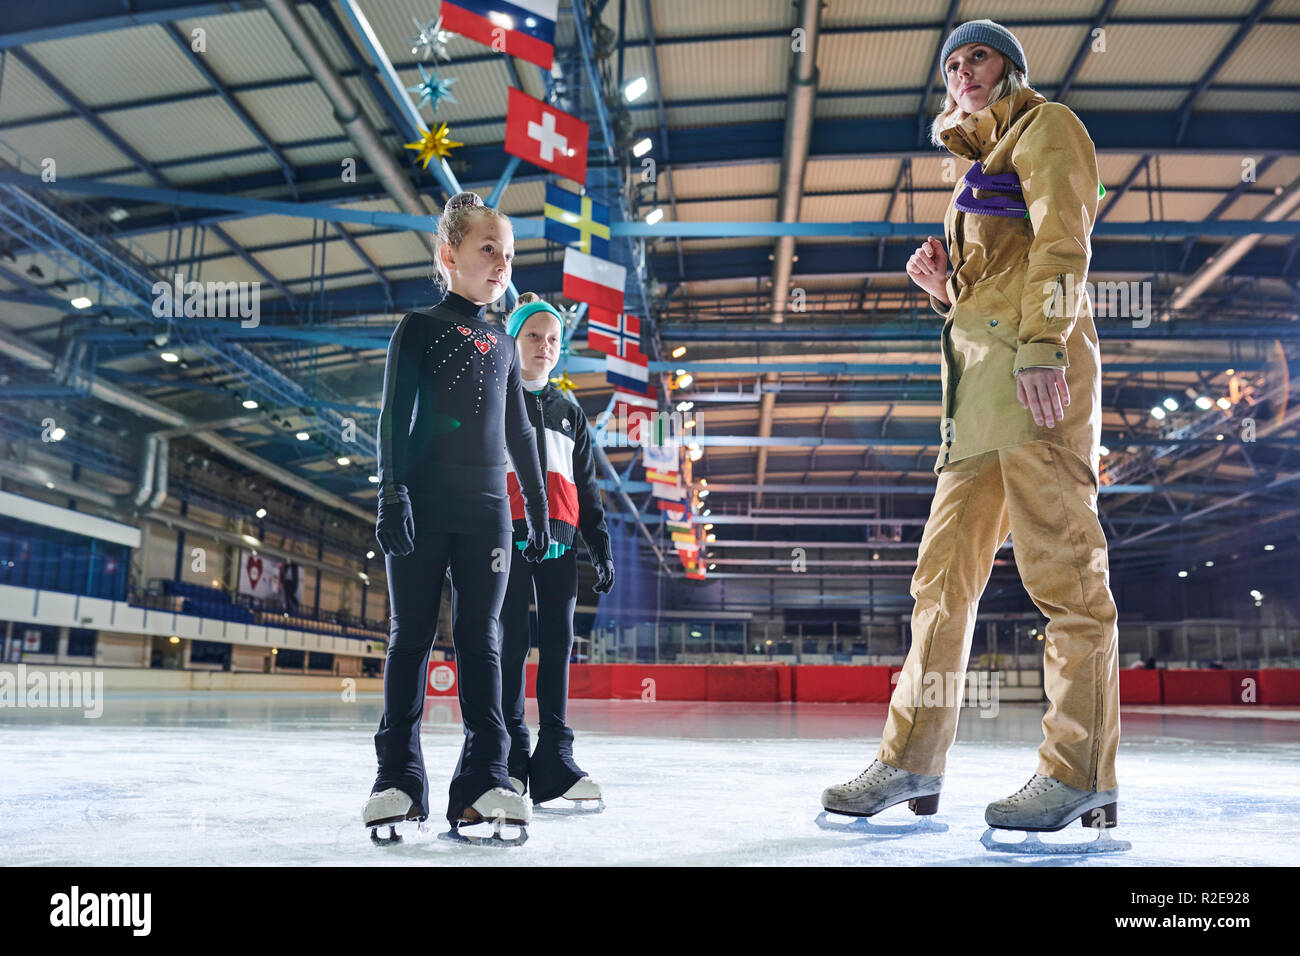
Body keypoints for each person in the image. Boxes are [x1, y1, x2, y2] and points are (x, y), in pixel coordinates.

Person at [821, 19, 1122, 842]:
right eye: (952, 64)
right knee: (939, 587)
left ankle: (1079, 775)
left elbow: (1063, 242)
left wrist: (1044, 346)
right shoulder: (970, 171)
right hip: (974, 407)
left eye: (977, 56)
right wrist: (943, 290)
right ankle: (910, 762)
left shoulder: (1048, 127)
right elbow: (995, 288)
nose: (963, 71)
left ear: (1011, 68)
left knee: (1066, 583)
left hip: (1038, 390)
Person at [364, 191, 550, 841]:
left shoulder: (503, 342)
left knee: (482, 640)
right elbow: (393, 415)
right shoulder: (418, 327)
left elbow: (520, 430)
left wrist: (536, 507)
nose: (502, 264)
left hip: (488, 512)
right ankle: (396, 778)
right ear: (449, 255)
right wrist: (392, 494)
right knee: (410, 636)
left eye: (509, 254)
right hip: (423, 503)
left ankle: (485, 780)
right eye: (488, 249)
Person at [496, 292, 615, 807]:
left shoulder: (570, 412)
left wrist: (599, 544)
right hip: (507, 537)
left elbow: (586, 487)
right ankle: (509, 756)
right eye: (532, 336)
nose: (544, 346)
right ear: (512, 340)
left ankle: (555, 759)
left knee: (559, 645)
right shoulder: (494, 400)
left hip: (560, 544)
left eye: (552, 339)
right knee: (511, 644)